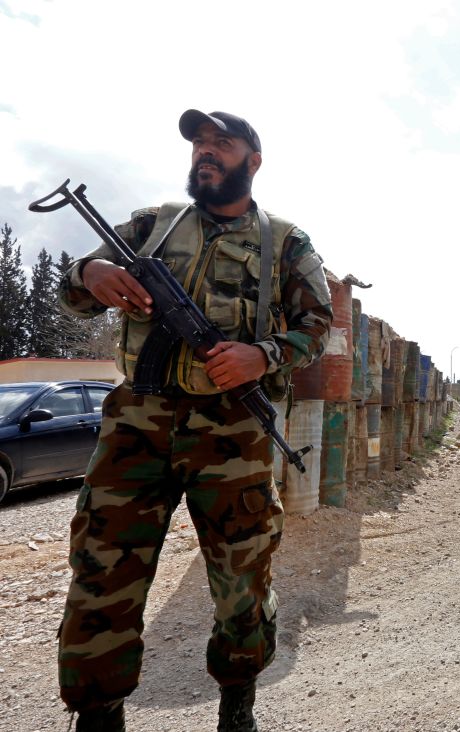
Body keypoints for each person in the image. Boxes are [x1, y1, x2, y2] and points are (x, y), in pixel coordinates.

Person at [56, 110, 334, 732]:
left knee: (243, 573)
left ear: (252, 161)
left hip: (232, 429)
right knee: (104, 566)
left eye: (221, 143)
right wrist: (88, 273)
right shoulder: (152, 225)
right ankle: (97, 710)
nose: (206, 152)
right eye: (199, 144)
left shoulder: (286, 241)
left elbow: (317, 328)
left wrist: (261, 355)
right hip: (136, 422)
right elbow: (72, 294)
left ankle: (238, 697)